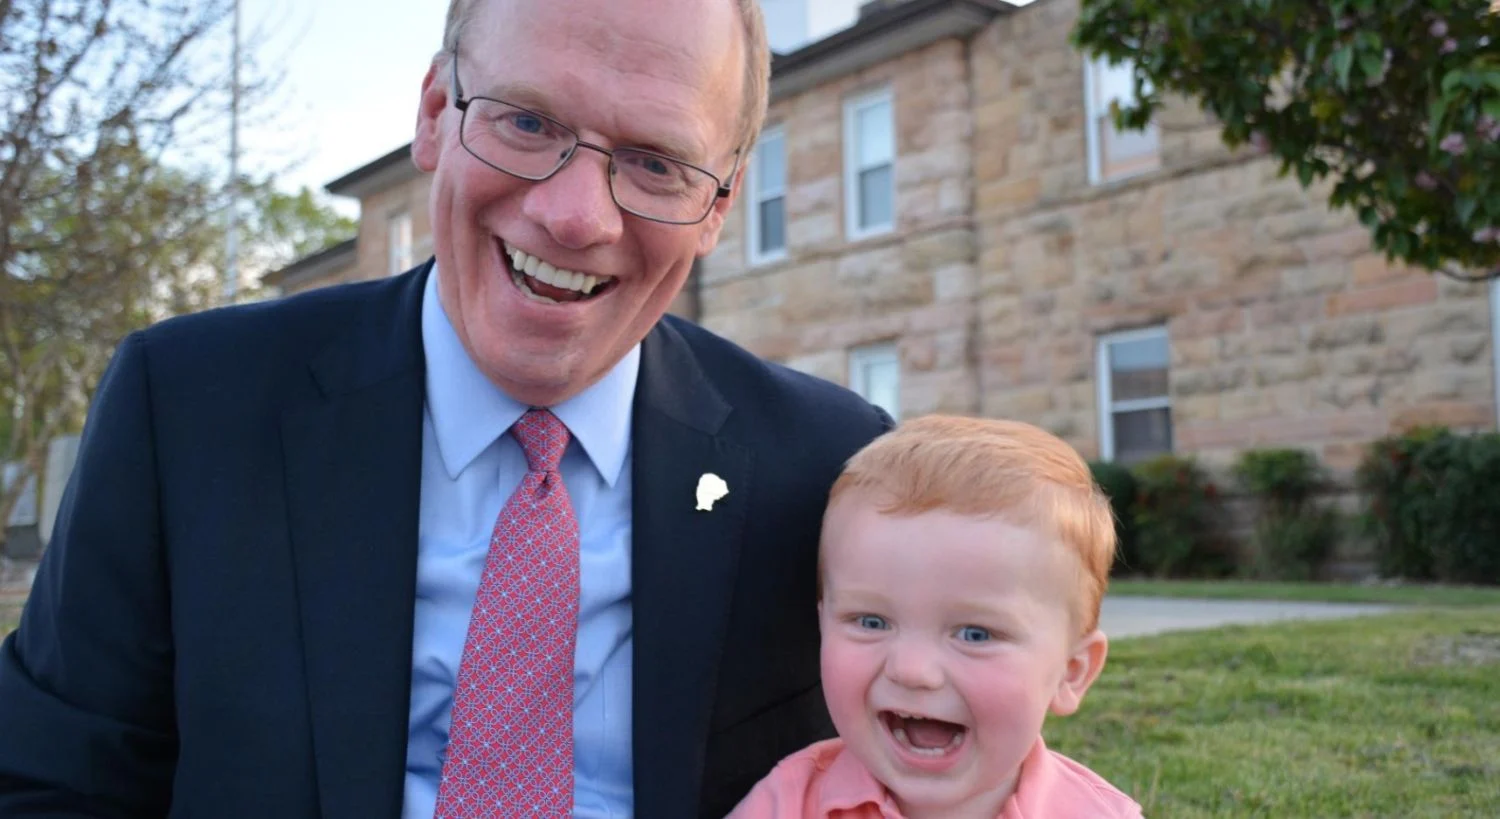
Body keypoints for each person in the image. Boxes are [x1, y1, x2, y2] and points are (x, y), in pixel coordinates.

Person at [0, 0, 893, 816]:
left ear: (721, 204)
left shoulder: (827, 468)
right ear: (435, 114)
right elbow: (52, 782)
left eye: (656, 163)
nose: (576, 216)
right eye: (529, 122)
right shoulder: (188, 406)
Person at [725, 416, 1142, 819]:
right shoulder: (786, 804)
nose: (912, 670)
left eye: (975, 634)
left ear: (1071, 673)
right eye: (871, 622)